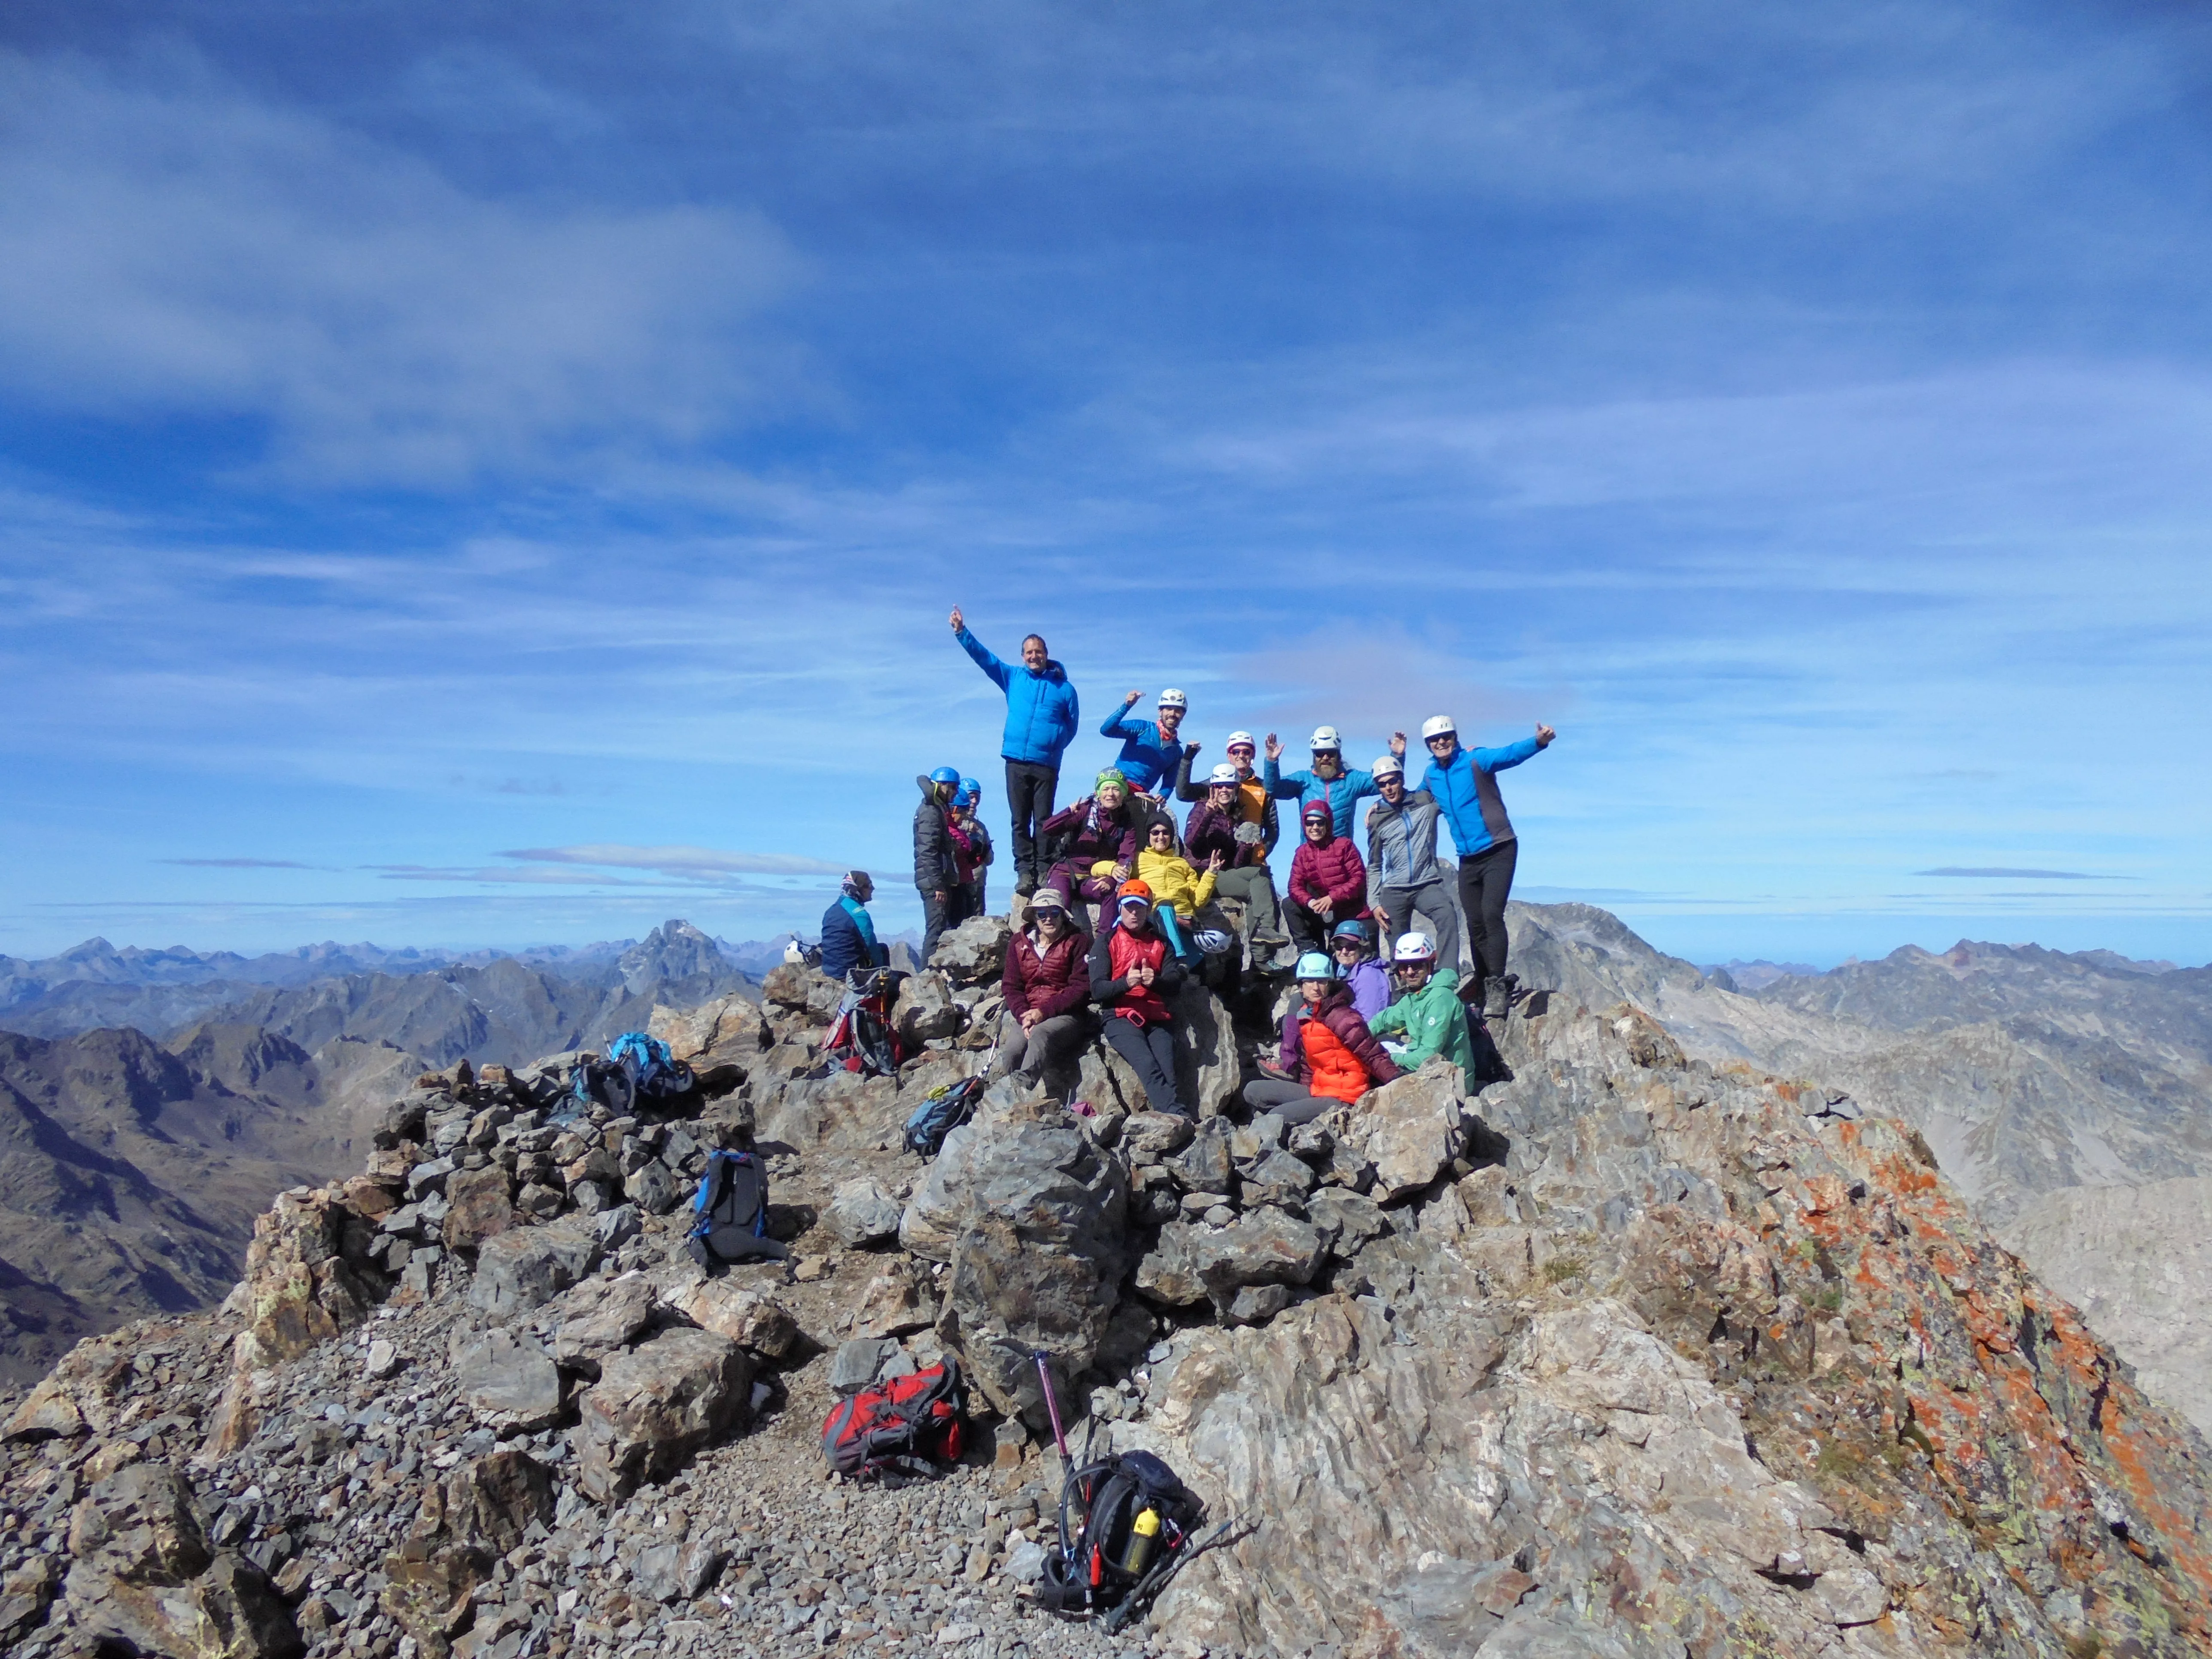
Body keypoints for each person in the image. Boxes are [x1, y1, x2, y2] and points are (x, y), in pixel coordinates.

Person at [1419, 714, 1557, 1019]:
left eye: (1446, 737)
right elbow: (1415, 800)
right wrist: (1380, 807)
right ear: (1428, 745)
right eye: (1435, 740)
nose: (1441, 742)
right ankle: (1482, 981)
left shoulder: (1475, 760)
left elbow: (1508, 755)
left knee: (1492, 915)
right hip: (1468, 858)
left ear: (1455, 738)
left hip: (1499, 848)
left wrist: (1539, 742)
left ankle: (1497, 987)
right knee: (1475, 922)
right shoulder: (1431, 776)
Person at [949, 608, 1080, 896]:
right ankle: (1024, 872)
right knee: (1019, 820)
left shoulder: (1065, 689)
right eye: (1029, 652)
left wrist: (1052, 746)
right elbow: (985, 659)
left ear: (1047, 654)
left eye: (1039, 652)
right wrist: (962, 632)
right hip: (1015, 761)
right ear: (1023, 656)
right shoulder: (1012, 677)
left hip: (1046, 764)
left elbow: (1072, 727)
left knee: (1044, 820)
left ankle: (1044, 868)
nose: (1034, 656)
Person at [1241, 951, 1401, 1124]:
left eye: (1322, 981)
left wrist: (1398, 1083)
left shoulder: (1342, 1017)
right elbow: (1310, 1065)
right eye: (1309, 981)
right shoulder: (1307, 1016)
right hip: (1319, 1089)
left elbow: (1373, 1054)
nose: (1315, 987)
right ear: (1301, 987)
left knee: (1276, 1117)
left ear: (1330, 985)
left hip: (1344, 1097)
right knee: (1252, 1090)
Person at [1087, 880, 1192, 1115]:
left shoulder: (1161, 943)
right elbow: (1097, 991)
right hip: (1119, 1017)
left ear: (1148, 909)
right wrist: (1126, 983)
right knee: (1148, 1065)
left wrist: (1154, 981)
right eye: (1129, 907)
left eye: (1141, 907)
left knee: (1168, 1071)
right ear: (1120, 909)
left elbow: (1175, 983)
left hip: (1157, 1017)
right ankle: (1179, 1117)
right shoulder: (1105, 942)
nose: (1134, 913)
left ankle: (1173, 1121)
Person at [1363, 754, 1461, 971]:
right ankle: (1401, 993)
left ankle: (1446, 977)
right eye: (1382, 784)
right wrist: (1374, 903)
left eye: (1393, 781)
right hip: (1394, 890)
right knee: (1397, 946)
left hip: (1427, 884)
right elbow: (1375, 864)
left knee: (1447, 916)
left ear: (1402, 779)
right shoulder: (1377, 819)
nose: (1388, 788)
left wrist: (1464, 753)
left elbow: (1445, 778)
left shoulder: (1424, 801)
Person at [989, 888, 1092, 1092]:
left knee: (1041, 1035)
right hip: (1028, 1013)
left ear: (1063, 915)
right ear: (1035, 917)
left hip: (1066, 1014)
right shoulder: (1019, 943)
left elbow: (1080, 987)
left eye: (1054, 913)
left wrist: (1042, 1013)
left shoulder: (1078, 942)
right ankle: (1005, 1094)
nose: (1048, 919)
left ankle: (1021, 1091)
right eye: (1042, 914)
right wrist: (1023, 1016)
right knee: (1012, 1051)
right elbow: (1011, 986)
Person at [1179, 762, 1287, 945]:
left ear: (1237, 789)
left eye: (1229, 786)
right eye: (1219, 786)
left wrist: (1246, 847)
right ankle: (1261, 951)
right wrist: (1208, 816)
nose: (1224, 790)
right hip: (1202, 874)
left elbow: (1237, 865)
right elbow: (1191, 843)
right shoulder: (1201, 808)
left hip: (1224, 872)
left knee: (1261, 874)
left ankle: (1265, 931)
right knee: (1256, 891)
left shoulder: (1236, 816)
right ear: (1212, 789)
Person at [1367, 933, 1478, 1091]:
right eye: (1404, 967)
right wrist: (1362, 1037)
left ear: (1430, 965)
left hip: (1450, 1082)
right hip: (1427, 1068)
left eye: (1417, 965)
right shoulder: (1416, 997)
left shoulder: (1440, 998)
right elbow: (1385, 1019)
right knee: (1381, 1044)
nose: (1410, 972)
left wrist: (1387, 1059)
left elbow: (1428, 1056)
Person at [1038, 770, 1143, 931]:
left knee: (1110, 894)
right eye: (1106, 789)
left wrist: (1112, 880)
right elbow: (1048, 829)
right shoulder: (1085, 810)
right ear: (1098, 792)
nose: (1111, 794)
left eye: (1116, 789)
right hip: (1066, 872)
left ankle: (1103, 944)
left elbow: (1126, 856)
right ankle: (1062, 947)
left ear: (1123, 794)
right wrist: (1068, 813)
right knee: (1058, 907)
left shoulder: (1126, 821)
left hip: (1094, 876)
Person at [1262, 725, 1405, 837]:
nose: (1325, 758)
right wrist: (1271, 762)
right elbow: (1273, 790)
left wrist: (1397, 757)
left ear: (1338, 754)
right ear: (1314, 756)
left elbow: (1384, 782)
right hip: (1310, 858)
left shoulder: (1352, 780)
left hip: (1342, 858)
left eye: (1330, 753)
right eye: (1319, 753)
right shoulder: (1303, 780)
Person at [1173, 730, 1279, 859]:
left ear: (1253, 755)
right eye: (1236, 752)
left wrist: (1261, 852)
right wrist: (1187, 759)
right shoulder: (1215, 785)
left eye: (1246, 752)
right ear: (1229, 756)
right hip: (1220, 856)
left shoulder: (1263, 788)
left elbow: (1273, 830)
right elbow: (1183, 794)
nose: (1241, 756)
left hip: (1250, 856)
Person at [1134, 813, 1221, 966]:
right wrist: (1113, 868)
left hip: (1183, 919)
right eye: (1155, 832)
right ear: (1148, 835)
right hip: (1155, 917)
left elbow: (1198, 901)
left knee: (1200, 969)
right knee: (1165, 906)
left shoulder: (1183, 864)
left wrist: (1211, 874)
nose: (1161, 837)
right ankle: (1178, 958)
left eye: (1166, 832)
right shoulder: (1138, 860)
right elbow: (1100, 867)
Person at [1286, 800, 1370, 955]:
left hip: (1349, 912)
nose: (1315, 828)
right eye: (1310, 823)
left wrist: (1332, 898)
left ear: (1328, 823)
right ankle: (1308, 950)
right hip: (1321, 910)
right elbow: (1294, 887)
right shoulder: (1302, 853)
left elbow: (1358, 879)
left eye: (1320, 822)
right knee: (1289, 904)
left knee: (1339, 962)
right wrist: (1311, 902)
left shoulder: (1344, 846)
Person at [1098, 688, 1194, 796]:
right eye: (1169, 709)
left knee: (1167, 814)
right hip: (1117, 784)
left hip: (1140, 794)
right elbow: (1106, 730)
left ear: (1183, 715)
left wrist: (1163, 795)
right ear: (1160, 711)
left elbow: (1169, 784)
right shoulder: (1142, 728)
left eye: (1178, 711)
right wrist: (1127, 706)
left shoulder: (1176, 752)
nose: (1173, 714)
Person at [914, 766, 963, 962]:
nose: (955, 793)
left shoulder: (935, 808)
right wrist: (938, 886)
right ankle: (926, 980)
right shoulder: (931, 811)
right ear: (942, 786)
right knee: (935, 932)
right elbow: (927, 852)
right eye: (953, 788)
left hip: (934, 880)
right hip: (934, 883)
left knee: (938, 929)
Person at [819, 870, 890, 982]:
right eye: (868, 885)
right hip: (849, 973)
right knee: (883, 949)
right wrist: (882, 971)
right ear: (857, 890)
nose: (873, 889)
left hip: (830, 970)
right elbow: (871, 948)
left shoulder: (831, 910)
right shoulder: (859, 914)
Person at [948, 778, 994, 923]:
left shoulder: (981, 827)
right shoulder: (951, 823)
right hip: (959, 883)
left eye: (977, 797)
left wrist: (984, 851)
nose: (973, 802)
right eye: (970, 796)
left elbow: (990, 860)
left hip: (978, 883)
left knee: (977, 922)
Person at [1328, 920, 1390, 1020]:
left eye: (1351, 946)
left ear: (1363, 948)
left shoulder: (1368, 976)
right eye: (1339, 946)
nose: (1344, 952)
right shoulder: (1345, 970)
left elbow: (1370, 1020)